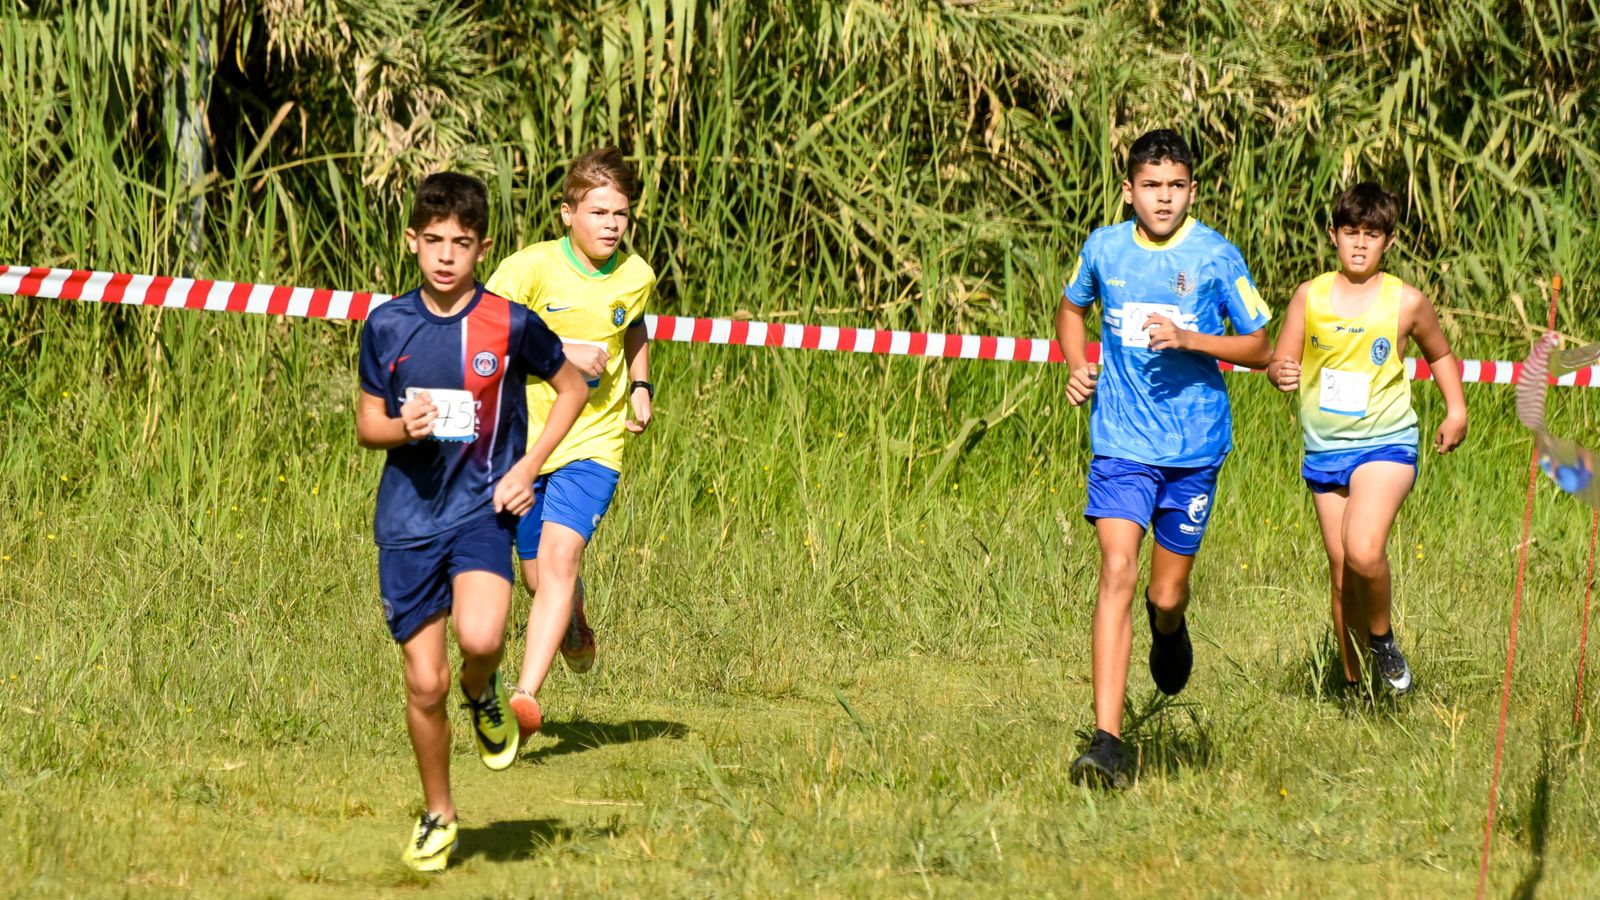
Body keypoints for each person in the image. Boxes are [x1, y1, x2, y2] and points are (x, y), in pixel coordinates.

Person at [355, 172, 588, 871]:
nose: (446, 256)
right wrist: (403, 425)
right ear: (411, 244)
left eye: (461, 243)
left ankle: (483, 691)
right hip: (405, 523)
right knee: (423, 683)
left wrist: (527, 469)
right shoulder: (386, 324)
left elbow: (572, 386)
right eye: (433, 242)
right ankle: (438, 813)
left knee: (481, 635)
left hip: (482, 511)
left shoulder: (509, 322)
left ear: (482, 247)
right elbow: (368, 425)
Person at [1054, 129, 1273, 787]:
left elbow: (1260, 346)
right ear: (1129, 191)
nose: (1164, 198)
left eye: (1176, 186)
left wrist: (1190, 338)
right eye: (1151, 186)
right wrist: (1076, 365)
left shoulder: (1214, 257)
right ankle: (1108, 742)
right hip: (1120, 443)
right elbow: (1071, 309)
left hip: (1194, 448)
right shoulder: (1104, 246)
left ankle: (1169, 626)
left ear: (1192, 191)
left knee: (1163, 591)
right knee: (1117, 569)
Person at [1266, 182, 1467, 696]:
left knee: (1362, 547)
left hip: (1387, 442)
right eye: (1350, 232)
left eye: (1371, 235)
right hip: (1325, 448)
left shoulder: (1408, 302)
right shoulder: (1309, 296)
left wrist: (1456, 409)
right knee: (1341, 573)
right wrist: (1282, 372)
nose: (1359, 244)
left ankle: (1382, 640)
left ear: (1389, 242)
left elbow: (1440, 355)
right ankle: (1355, 687)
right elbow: (1280, 359)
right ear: (1333, 235)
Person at [484, 147, 656, 737]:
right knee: (538, 578)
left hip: (594, 443)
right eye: (599, 212)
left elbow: (631, 323)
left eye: (622, 215)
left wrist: (639, 383)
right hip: (525, 442)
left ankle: (525, 696)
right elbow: (483, 332)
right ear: (567, 213)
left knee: (561, 559)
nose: (612, 225)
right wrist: (556, 351)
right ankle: (574, 620)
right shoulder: (528, 269)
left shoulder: (636, 275)